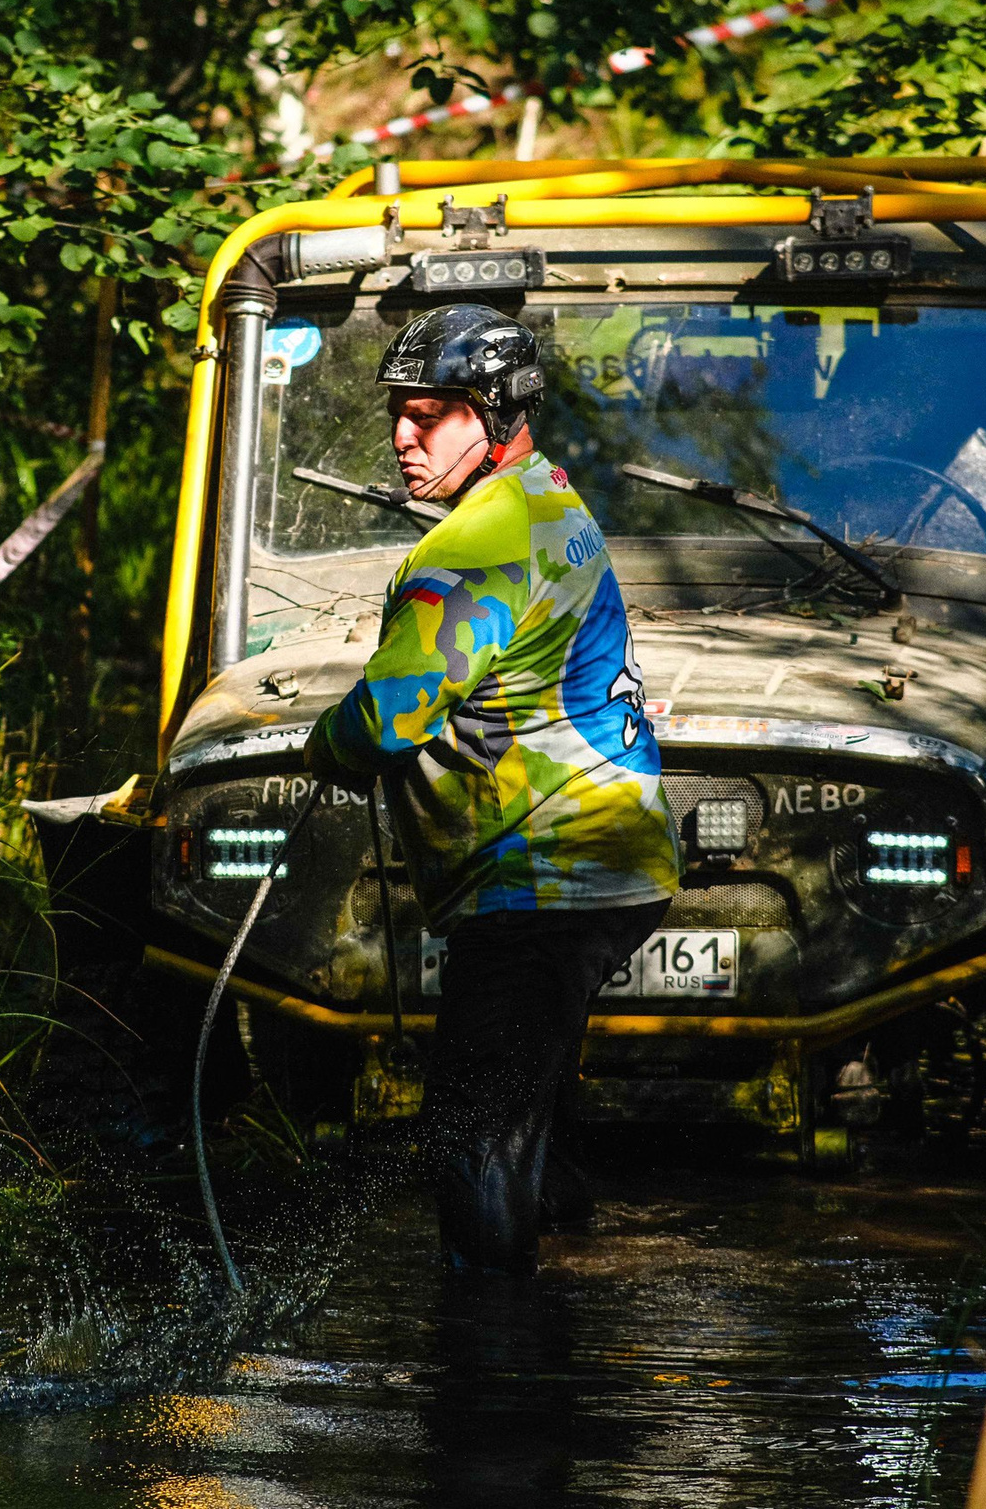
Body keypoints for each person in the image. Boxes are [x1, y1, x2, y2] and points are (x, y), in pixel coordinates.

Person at [303, 303, 681, 1273]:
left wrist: (323, 746)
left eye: (429, 415)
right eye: (397, 413)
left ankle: (493, 1346)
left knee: (472, 1133)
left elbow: (389, 719)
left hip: (540, 877)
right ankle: (563, 1298)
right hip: (608, 858)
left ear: (497, 414)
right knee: (530, 1111)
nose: (402, 435)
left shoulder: (475, 541)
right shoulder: (547, 497)